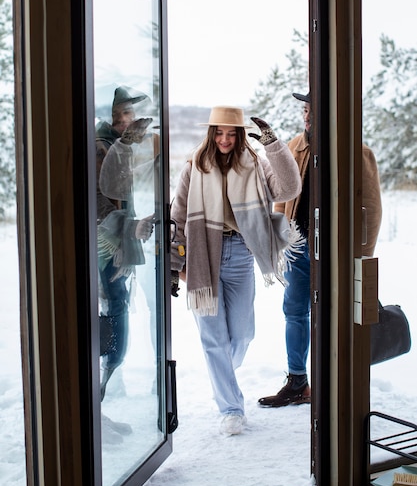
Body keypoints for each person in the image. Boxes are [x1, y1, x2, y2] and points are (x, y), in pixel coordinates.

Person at [170, 106, 302, 435]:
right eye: (219, 132)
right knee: (213, 338)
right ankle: (231, 408)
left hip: (241, 252)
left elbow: (289, 189)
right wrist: (174, 265)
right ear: (211, 132)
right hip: (203, 254)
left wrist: (273, 143)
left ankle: (222, 373)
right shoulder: (194, 167)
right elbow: (177, 216)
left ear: (240, 134)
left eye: (231, 133)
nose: (225, 139)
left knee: (242, 334)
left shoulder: (254, 164)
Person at [258, 91, 383, 408]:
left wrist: (360, 255)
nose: (307, 116)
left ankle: (338, 383)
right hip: (299, 248)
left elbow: (371, 208)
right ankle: (298, 382)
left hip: (337, 253)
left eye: (313, 110)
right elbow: (283, 200)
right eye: (305, 110)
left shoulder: (356, 151)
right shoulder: (295, 148)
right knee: (295, 312)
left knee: (334, 317)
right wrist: (279, 239)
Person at [96, 85, 155, 401]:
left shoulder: (114, 145)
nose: (123, 120)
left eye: (127, 113)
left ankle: (104, 398)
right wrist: (132, 228)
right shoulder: (101, 147)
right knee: (111, 314)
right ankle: (101, 395)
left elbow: (119, 192)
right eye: (117, 113)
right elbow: (98, 203)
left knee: (114, 311)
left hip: (115, 245)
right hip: (105, 248)